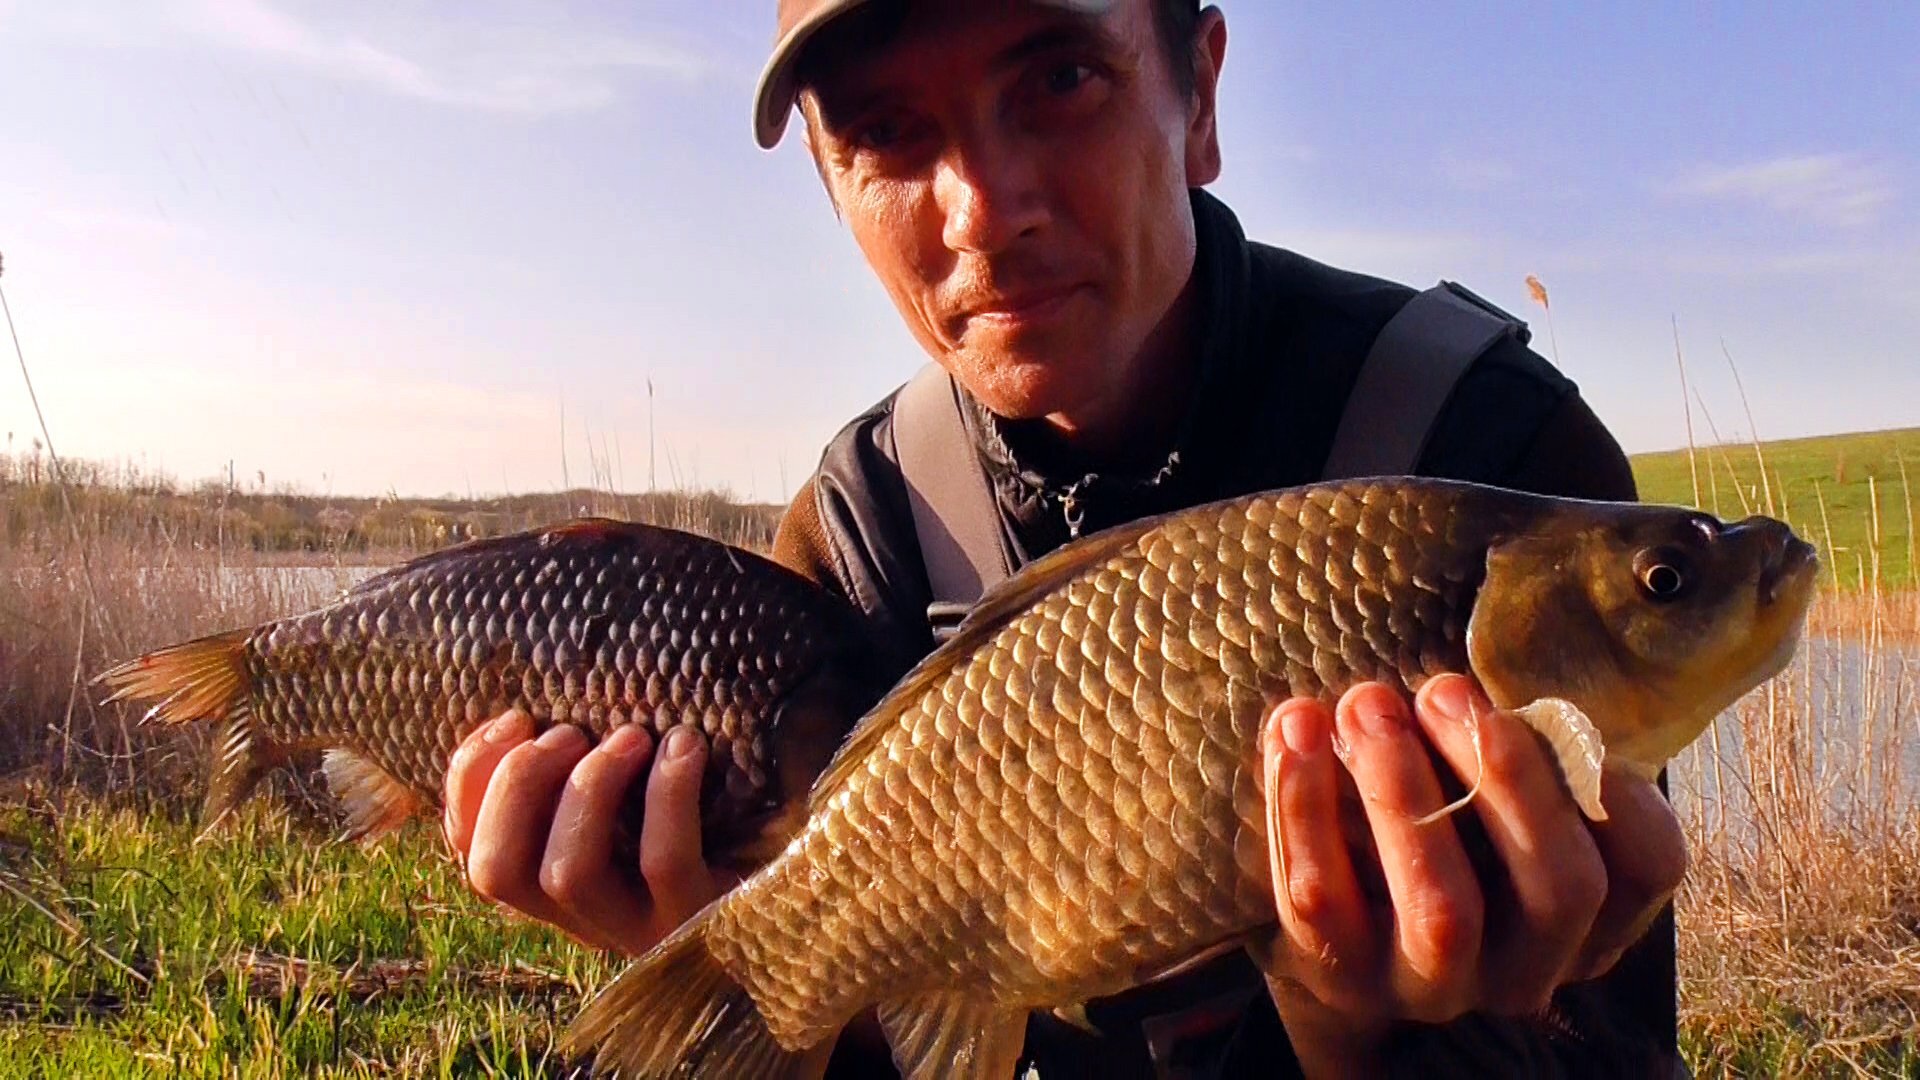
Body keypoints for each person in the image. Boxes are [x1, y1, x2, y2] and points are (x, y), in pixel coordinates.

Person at [441, 1, 1689, 1075]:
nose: (984, 212)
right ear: (832, 188)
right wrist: (748, 967)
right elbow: (906, 1046)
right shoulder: (862, 527)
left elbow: (1620, 1053)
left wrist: (1390, 1040)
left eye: (1059, 81)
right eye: (885, 133)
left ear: (1198, 93)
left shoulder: (1493, 455)